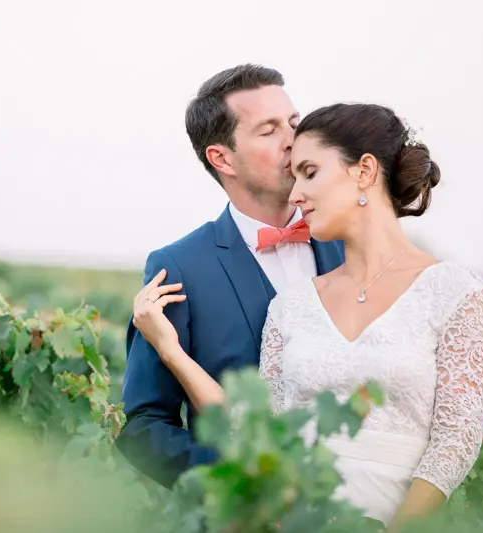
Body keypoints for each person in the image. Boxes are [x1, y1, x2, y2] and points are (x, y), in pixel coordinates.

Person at [129, 102, 483, 530]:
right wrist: (171, 351)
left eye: (309, 172)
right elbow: (255, 431)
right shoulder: (292, 305)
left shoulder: (456, 292)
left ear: (363, 171)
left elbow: (455, 442)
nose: (295, 192)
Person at [113, 65, 345, 489]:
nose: (294, 140)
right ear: (221, 157)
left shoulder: (350, 243)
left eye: (295, 122)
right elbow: (145, 428)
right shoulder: (180, 267)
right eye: (269, 130)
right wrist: (239, 483)